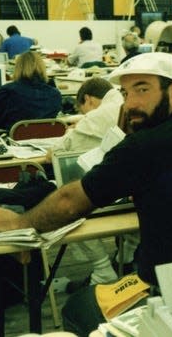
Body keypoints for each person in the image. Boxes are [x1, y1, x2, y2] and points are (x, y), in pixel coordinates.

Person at [0, 52, 172, 335]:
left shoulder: (142, 147)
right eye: (126, 93)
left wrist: (17, 222)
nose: (131, 104)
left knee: (78, 306)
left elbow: (69, 203)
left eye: (142, 89)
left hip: (169, 297)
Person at [52, 77, 125, 285]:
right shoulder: (120, 104)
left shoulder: (95, 117)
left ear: (88, 99)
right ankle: (125, 258)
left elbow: (56, 152)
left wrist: (72, 130)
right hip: (133, 192)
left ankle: (102, 269)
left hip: (108, 194)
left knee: (67, 201)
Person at [0, 51, 62, 132]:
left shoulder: (9, 91)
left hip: (12, 141)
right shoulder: (55, 94)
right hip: (46, 141)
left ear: (17, 68)